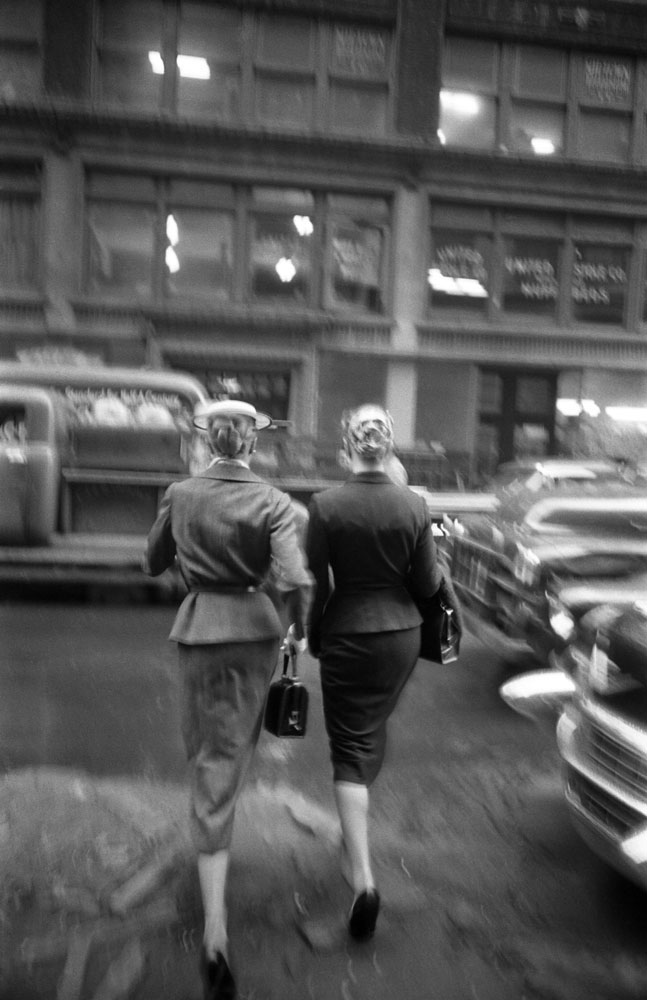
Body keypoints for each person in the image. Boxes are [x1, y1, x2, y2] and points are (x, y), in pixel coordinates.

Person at [143, 398, 311, 1000]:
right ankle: (218, 851)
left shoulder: (181, 493)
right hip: (257, 629)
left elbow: (153, 560)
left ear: (209, 442)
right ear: (251, 444)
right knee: (233, 745)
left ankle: (215, 928)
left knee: (209, 755)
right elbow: (295, 579)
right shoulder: (273, 502)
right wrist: (296, 630)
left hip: (199, 627)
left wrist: (190, 557)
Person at [305, 403, 460, 941]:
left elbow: (319, 586)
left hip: (347, 631)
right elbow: (424, 585)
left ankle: (363, 880)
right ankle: (353, 842)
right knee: (370, 731)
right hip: (400, 638)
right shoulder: (414, 506)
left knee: (348, 747)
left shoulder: (324, 507)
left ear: (348, 447)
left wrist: (315, 633)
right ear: (389, 447)